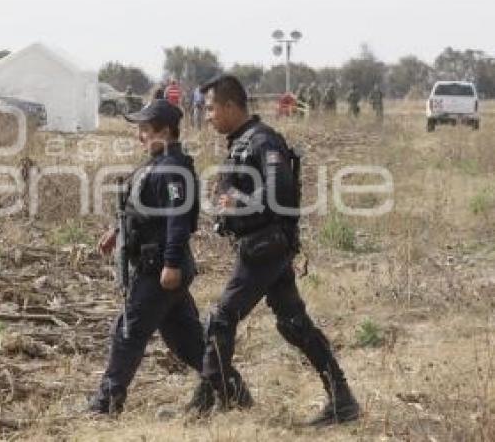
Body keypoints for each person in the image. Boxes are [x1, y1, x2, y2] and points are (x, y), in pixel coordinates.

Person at [190, 75, 360, 426]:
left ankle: (206, 402)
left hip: (265, 248)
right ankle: (342, 399)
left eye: (210, 108)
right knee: (294, 324)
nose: (207, 116)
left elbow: (280, 199)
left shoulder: (263, 142)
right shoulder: (241, 141)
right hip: (261, 247)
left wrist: (234, 200)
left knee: (222, 318)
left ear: (230, 106)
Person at [88, 99, 205, 415]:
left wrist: (170, 263)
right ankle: (231, 390)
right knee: (189, 342)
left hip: (160, 271)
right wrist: (116, 232)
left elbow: (177, 222)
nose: (139, 135)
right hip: (158, 267)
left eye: (144, 129)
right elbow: (142, 210)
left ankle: (106, 404)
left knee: (128, 333)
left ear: (165, 132)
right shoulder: (157, 163)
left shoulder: (172, 169)